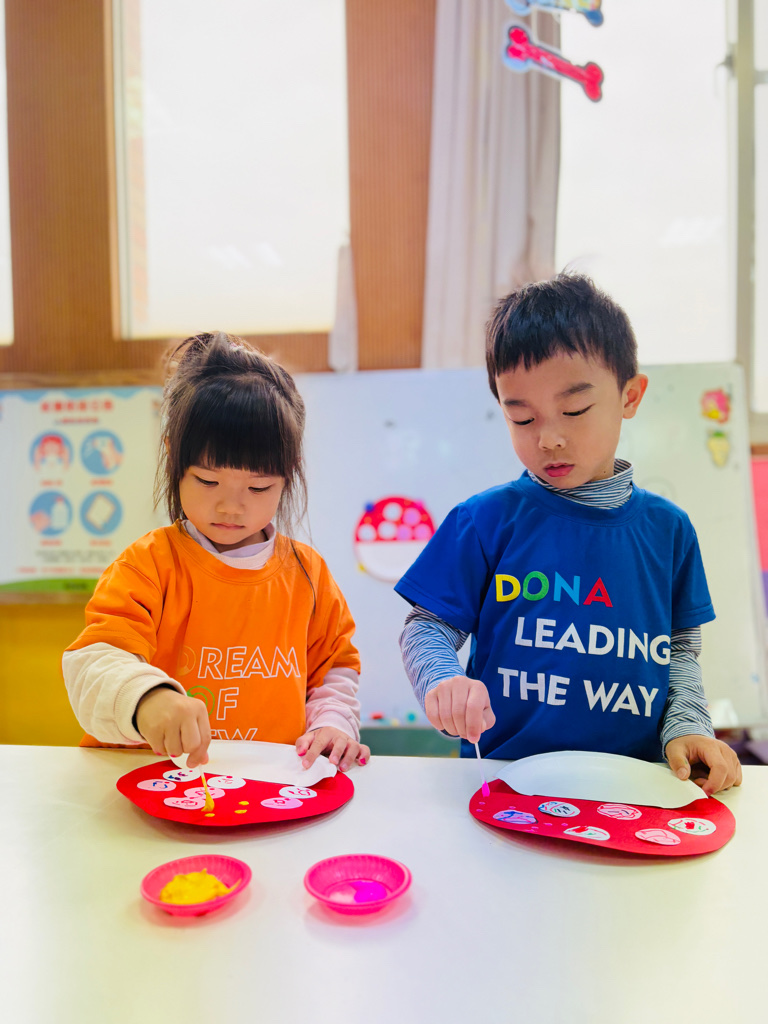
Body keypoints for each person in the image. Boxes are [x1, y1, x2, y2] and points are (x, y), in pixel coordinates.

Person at [395, 274, 741, 796]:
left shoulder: (669, 531)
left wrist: (688, 726)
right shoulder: (483, 520)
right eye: (521, 418)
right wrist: (443, 680)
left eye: (575, 411)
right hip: (503, 783)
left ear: (630, 396)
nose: (549, 438)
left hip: (634, 788)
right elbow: (428, 627)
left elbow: (679, 652)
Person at [63, 332, 369, 772]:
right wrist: (147, 699)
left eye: (258, 487)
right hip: (151, 785)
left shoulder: (308, 573)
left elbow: (334, 667)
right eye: (208, 481)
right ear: (173, 458)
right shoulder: (148, 565)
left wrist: (332, 724)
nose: (231, 507)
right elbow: (93, 663)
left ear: (289, 475)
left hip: (263, 789)